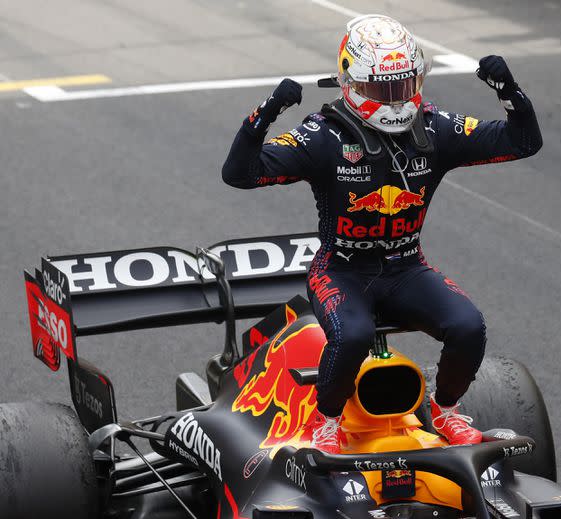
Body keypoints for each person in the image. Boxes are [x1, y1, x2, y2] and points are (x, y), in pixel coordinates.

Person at [222, 14, 542, 454]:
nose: (394, 100)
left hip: (406, 267)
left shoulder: (435, 128)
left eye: (402, 86)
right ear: (351, 83)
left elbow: (523, 142)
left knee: (468, 326)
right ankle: (327, 423)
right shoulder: (323, 135)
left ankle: (446, 412)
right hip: (340, 270)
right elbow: (239, 173)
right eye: (382, 89)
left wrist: (511, 94)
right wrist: (265, 114)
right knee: (350, 336)